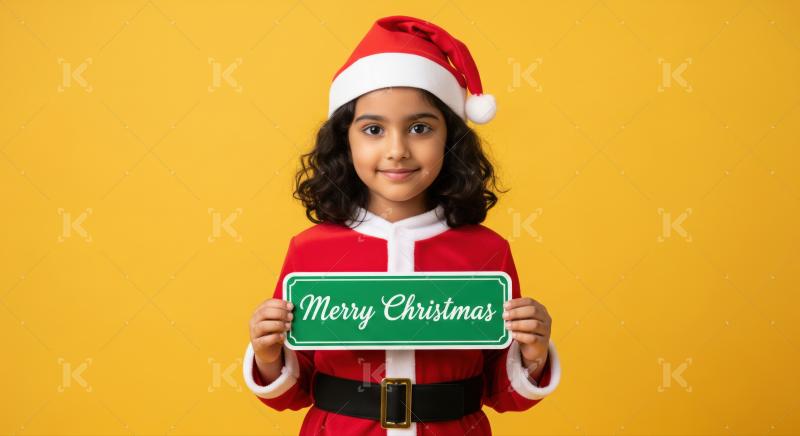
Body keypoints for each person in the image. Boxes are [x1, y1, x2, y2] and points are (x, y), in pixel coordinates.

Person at [243, 15, 562, 436]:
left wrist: (534, 353)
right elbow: (293, 391)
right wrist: (268, 354)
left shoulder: (487, 251)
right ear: (345, 141)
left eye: (419, 128)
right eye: (373, 129)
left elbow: (501, 392)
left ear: (451, 138)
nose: (397, 150)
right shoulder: (310, 250)